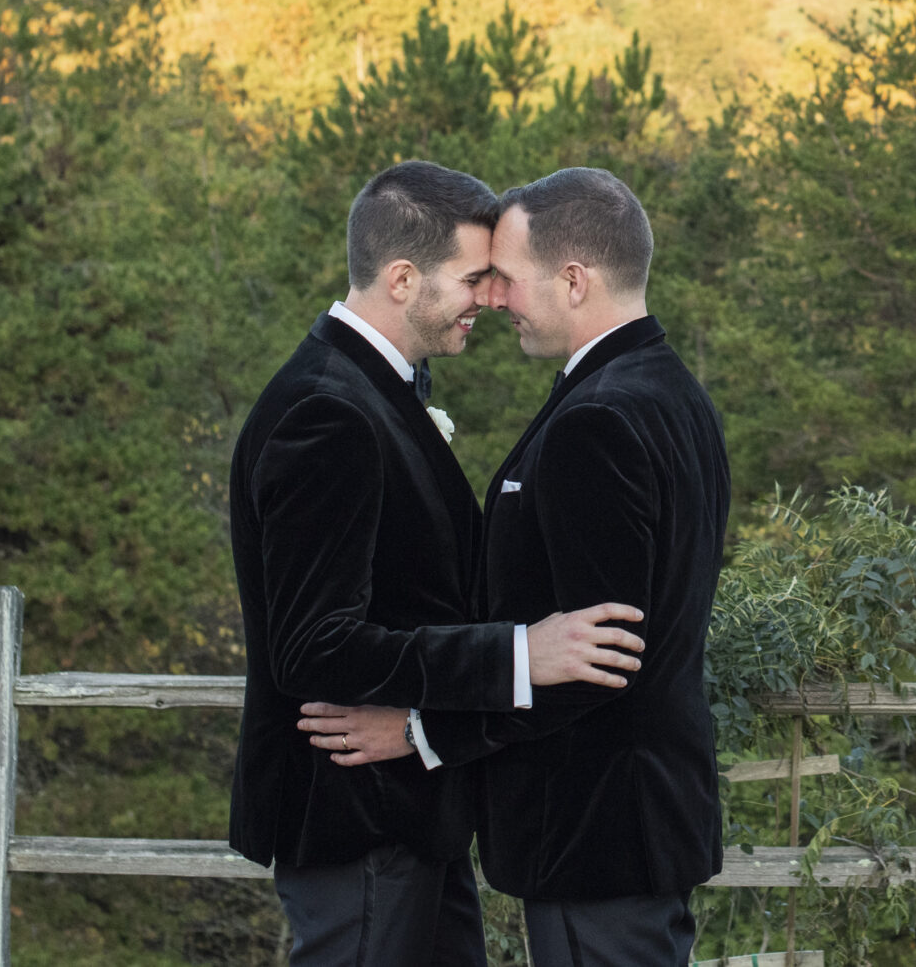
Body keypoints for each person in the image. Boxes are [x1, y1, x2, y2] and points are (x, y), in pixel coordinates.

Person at [301, 166, 731, 967]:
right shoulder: (672, 394)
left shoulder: (597, 421)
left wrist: (422, 732)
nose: (495, 299)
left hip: (592, 822)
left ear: (573, 281)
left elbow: (594, 658)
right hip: (637, 815)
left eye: (508, 277)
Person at [229, 160, 649, 967]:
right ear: (400, 278)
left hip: (410, 814)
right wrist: (519, 653)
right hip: (355, 815)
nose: (490, 299)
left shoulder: (367, 393)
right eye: (472, 278)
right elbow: (313, 646)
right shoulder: (327, 412)